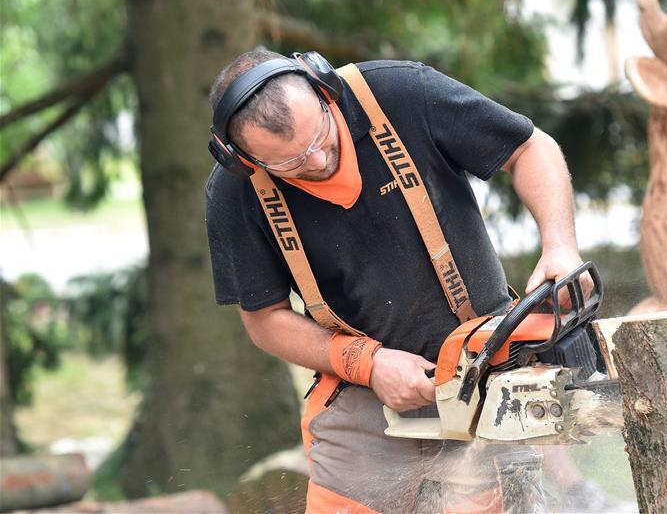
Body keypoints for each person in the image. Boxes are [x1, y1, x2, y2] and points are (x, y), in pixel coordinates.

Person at [205, 49, 588, 513]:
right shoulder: (234, 194)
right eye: (291, 163)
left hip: (482, 370)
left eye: (322, 135)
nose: (320, 159)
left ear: (324, 89)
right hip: (361, 393)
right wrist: (369, 364)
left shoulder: (400, 94)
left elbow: (530, 148)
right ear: (241, 158)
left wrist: (560, 247)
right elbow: (264, 320)